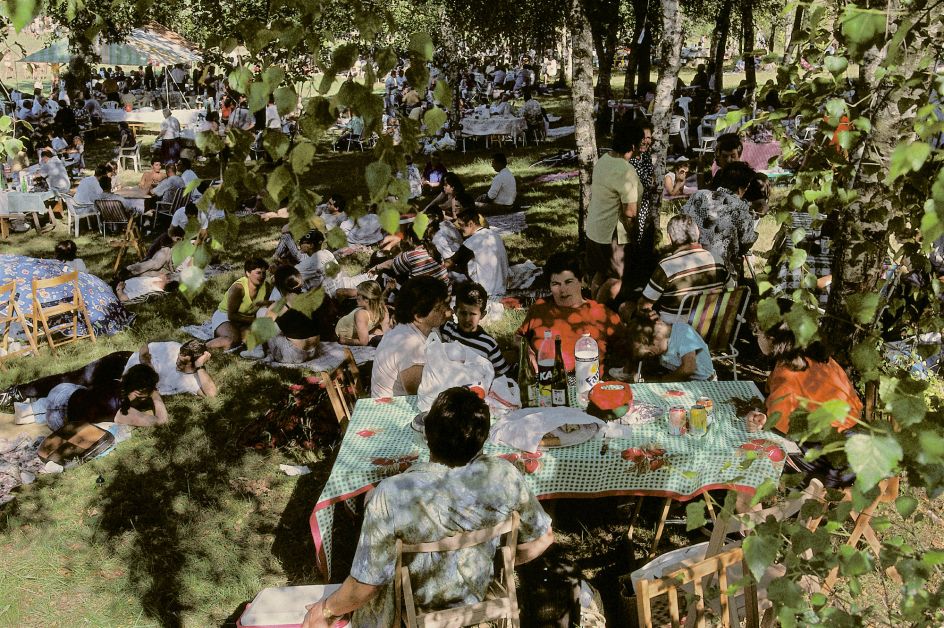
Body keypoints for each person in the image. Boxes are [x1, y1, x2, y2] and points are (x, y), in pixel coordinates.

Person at [301, 387, 553, 627]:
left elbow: (366, 584)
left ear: (427, 434)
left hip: (418, 604)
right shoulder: (504, 475)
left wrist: (326, 610)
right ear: (483, 437)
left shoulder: (391, 493)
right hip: (477, 592)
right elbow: (541, 540)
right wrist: (494, 564)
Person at [746, 300, 860, 487]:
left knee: (757, 449)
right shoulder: (820, 359)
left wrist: (760, 420)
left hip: (831, 462)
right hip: (854, 446)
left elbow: (778, 425)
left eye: (757, 332)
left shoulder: (787, 372)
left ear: (772, 338)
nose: (756, 338)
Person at [518, 251, 622, 372]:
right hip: (546, 383)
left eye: (568, 282)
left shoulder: (601, 314)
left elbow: (629, 347)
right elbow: (519, 336)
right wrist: (526, 350)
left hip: (587, 386)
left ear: (581, 281)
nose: (563, 290)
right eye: (556, 284)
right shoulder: (540, 308)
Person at [585, 120, 644, 303]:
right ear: (633, 145)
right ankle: (597, 315)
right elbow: (630, 213)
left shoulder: (604, 160)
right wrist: (635, 236)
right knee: (616, 278)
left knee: (601, 272)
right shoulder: (626, 171)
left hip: (594, 229)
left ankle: (592, 307)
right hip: (611, 235)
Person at [635, 215, 729, 323]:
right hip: (711, 331)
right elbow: (732, 290)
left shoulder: (667, 266)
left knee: (627, 308)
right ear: (698, 233)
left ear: (670, 238)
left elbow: (643, 306)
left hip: (674, 333)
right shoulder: (717, 261)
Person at [370, 276, 451, 397]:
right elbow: (418, 390)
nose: (446, 311)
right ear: (419, 316)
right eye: (438, 308)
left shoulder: (407, 330)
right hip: (392, 411)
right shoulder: (410, 342)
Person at [680, 161, 758, 279]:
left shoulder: (699, 195)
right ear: (743, 188)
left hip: (687, 265)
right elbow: (746, 242)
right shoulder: (742, 209)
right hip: (720, 273)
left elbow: (681, 220)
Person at [43, 364, 168, 431]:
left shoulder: (115, 381)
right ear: (139, 392)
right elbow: (161, 421)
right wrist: (155, 396)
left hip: (62, 391)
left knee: (30, 411)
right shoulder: (123, 412)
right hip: (58, 420)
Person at [440, 281, 512, 376]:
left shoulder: (488, 344)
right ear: (456, 311)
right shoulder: (448, 330)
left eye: (473, 314)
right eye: (463, 313)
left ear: (482, 315)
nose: (467, 319)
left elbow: (503, 373)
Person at [625, 312, 716, 381]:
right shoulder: (661, 342)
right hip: (685, 381)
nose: (651, 354)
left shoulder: (683, 332)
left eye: (650, 352)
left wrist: (661, 383)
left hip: (705, 382)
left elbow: (688, 368)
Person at [261, 266, 326, 364]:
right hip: (314, 351)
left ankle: (264, 352)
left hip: (294, 356)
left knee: (263, 314)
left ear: (280, 287)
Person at [207, 258, 272, 350]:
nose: (262, 276)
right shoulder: (238, 288)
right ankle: (203, 347)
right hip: (226, 316)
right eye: (258, 273)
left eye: (264, 273)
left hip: (245, 319)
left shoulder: (266, 287)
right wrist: (254, 321)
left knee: (255, 341)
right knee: (233, 340)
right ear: (248, 273)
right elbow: (232, 315)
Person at [448, 210, 509, 297]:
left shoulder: (472, 242)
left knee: (450, 273)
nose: (460, 228)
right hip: (501, 285)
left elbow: (450, 263)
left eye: (461, 225)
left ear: (470, 223)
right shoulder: (494, 234)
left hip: (487, 290)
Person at [124, 339, 217, 397]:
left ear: (195, 364)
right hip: (125, 361)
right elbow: (145, 346)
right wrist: (146, 366)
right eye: (178, 358)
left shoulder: (192, 380)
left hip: (130, 386)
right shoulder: (173, 347)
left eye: (183, 362)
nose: (177, 362)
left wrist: (200, 367)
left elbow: (212, 394)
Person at [335, 280, 390, 347]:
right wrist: (345, 341)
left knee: (379, 333)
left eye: (358, 295)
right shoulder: (362, 314)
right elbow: (364, 342)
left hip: (358, 327)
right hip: (340, 333)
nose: (356, 297)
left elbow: (387, 332)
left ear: (366, 299)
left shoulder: (382, 309)